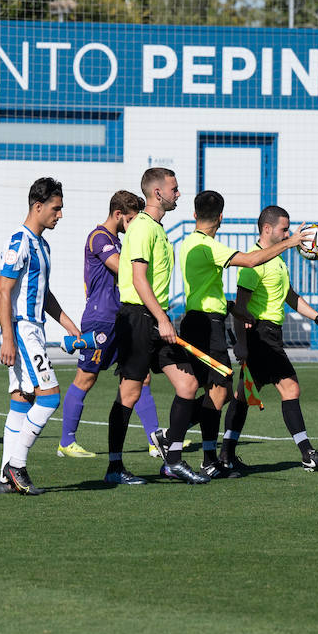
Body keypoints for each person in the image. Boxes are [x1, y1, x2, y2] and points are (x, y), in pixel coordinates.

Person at [178, 190, 307, 478]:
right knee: (222, 393)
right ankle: (187, 445)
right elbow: (250, 261)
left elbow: (205, 290)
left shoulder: (190, 244)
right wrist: (290, 242)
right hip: (211, 325)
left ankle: (206, 453)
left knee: (224, 393)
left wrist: (234, 310)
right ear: (221, 217)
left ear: (194, 214)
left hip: (205, 319)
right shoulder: (208, 247)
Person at [106, 167, 207, 484]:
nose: (179, 193)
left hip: (155, 317)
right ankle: (114, 468)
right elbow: (137, 279)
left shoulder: (158, 229)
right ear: (157, 193)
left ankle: (172, 461)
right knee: (130, 392)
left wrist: (162, 317)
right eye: (174, 188)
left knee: (188, 386)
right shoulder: (142, 229)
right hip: (137, 318)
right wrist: (162, 319)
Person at [228, 205, 318, 472]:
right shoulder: (253, 263)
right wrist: (242, 343)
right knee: (289, 389)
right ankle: (308, 453)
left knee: (241, 396)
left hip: (270, 335)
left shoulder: (277, 261)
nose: (290, 233)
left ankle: (221, 453)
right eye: (285, 229)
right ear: (267, 229)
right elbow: (239, 306)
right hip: (260, 336)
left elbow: (291, 297)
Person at [57, 190, 164, 459]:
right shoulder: (99, 237)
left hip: (123, 318)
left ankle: (154, 441)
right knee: (86, 377)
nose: (133, 227)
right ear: (118, 215)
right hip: (100, 317)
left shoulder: (118, 239)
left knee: (140, 377)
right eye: (130, 220)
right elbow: (121, 268)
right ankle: (66, 442)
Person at [0, 178, 81, 495]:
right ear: (38, 206)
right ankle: (16, 464)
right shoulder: (20, 241)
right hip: (22, 329)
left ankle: (6, 479)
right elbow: (3, 291)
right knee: (50, 396)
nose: (60, 215)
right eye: (56, 209)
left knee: (22, 399)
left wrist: (70, 325)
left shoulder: (41, 244)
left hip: (32, 329)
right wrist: (8, 337)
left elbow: (44, 295)